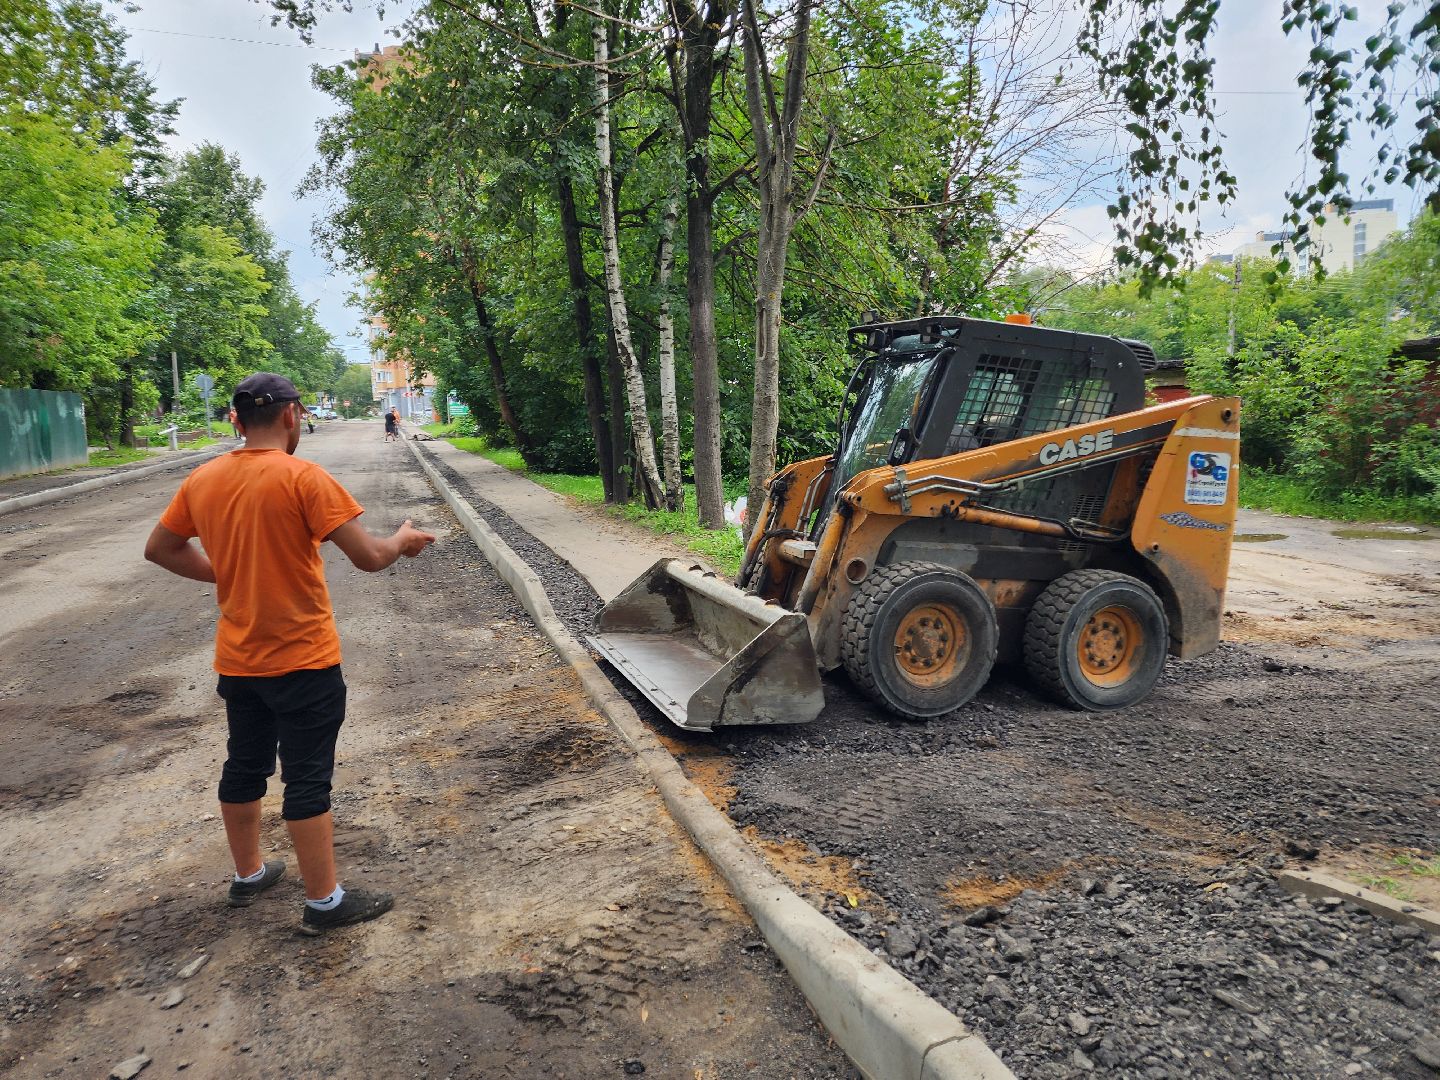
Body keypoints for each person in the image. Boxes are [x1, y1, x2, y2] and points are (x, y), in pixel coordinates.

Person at [144, 372, 436, 935]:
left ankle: (249, 874)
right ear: (291, 415)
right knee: (306, 778)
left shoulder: (203, 479)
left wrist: (225, 574)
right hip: (303, 657)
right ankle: (325, 903)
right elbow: (371, 558)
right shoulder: (304, 478)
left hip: (238, 658)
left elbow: (160, 548)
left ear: (236, 419)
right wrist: (403, 539)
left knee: (244, 764)